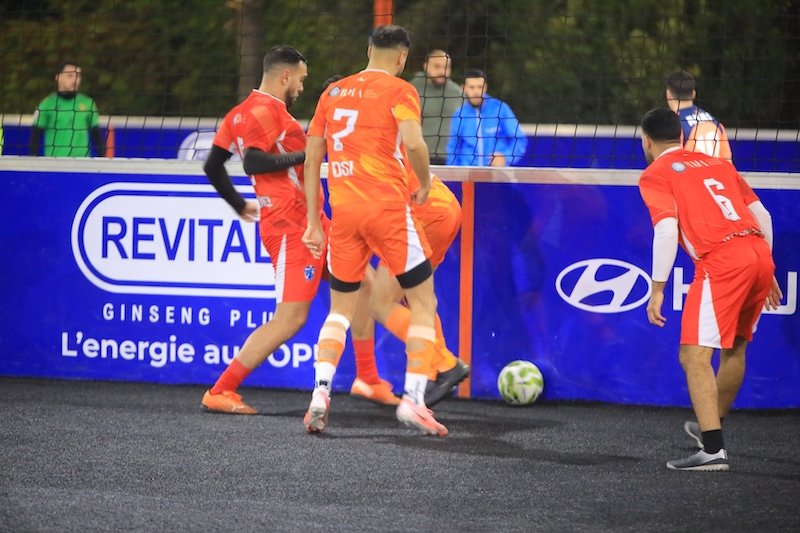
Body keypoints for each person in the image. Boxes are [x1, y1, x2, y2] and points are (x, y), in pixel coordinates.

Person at [302, 25, 448, 436]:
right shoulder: (401, 90)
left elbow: (312, 161)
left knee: (340, 310)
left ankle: (320, 393)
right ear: (402, 57)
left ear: (368, 50)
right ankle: (414, 399)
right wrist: (424, 183)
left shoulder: (332, 93)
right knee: (423, 303)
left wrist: (314, 221)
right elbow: (415, 145)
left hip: (344, 212)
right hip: (387, 210)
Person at [637, 107, 782, 471]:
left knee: (693, 355)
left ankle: (713, 450)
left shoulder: (655, 174)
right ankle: (711, 425)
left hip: (721, 262)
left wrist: (658, 288)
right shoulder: (719, 164)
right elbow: (763, 216)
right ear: (681, 137)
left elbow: (666, 230)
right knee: (735, 347)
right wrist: (767, 267)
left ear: (647, 141)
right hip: (757, 252)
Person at [200, 45, 327, 415]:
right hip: (291, 226)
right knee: (291, 318)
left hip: (310, 221)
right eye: (301, 78)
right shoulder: (266, 110)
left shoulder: (238, 114)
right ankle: (221, 390)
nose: (302, 86)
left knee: (364, 284)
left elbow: (213, 166)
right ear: (285, 76)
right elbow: (253, 161)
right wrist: (308, 154)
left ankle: (381, 377)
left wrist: (239, 205)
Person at [446, 69, 527, 167]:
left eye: (480, 87)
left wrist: (505, 157)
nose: (476, 91)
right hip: (469, 174)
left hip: (497, 173)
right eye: (471, 87)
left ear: (485, 87)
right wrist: (454, 172)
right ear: (463, 88)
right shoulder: (459, 114)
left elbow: (519, 139)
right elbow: (453, 148)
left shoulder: (500, 109)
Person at [30, 61, 106, 157]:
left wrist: (103, 159)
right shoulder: (46, 104)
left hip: (82, 162)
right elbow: (35, 137)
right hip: (55, 162)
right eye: (70, 75)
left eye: (78, 76)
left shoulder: (88, 103)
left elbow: (96, 135)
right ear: (58, 77)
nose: (75, 80)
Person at [665, 70, 732, 162]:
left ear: (668, 94)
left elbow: (671, 164)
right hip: (715, 171)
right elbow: (728, 163)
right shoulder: (716, 123)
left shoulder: (674, 125)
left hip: (690, 170)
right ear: (693, 94)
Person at [410, 50, 463, 164]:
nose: (442, 71)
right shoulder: (412, 90)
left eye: (446, 67)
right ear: (426, 66)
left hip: (452, 158)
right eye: (437, 66)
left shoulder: (458, 93)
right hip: (420, 157)